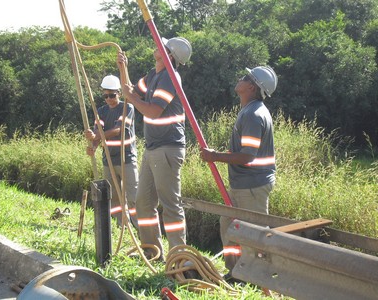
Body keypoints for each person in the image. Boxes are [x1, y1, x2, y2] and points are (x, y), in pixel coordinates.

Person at [117, 37, 192, 261]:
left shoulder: (170, 77)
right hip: (153, 149)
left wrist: (130, 97)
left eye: (163, 47)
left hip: (167, 148)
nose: (157, 47)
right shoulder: (153, 75)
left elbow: (152, 111)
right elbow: (130, 91)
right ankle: (151, 250)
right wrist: (123, 68)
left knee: (170, 204)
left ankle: (179, 256)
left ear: (169, 55)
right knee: (143, 202)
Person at [200, 66, 278, 280]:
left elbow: (247, 156)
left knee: (254, 234)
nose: (240, 79)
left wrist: (215, 156)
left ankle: (260, 277)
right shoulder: (249, 110)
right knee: (229, 228)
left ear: (252, 87)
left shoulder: (253, 115)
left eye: (245, 77)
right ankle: (236, 273)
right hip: (242, 184)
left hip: (252, 186)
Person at [85, 74, 139, 229]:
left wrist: (97, 136)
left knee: (133, 196)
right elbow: (97, 132)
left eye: (112, 95)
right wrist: (93, 146)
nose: (108, 99)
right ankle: (122, 225)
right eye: (106, 95)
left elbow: (118, 130)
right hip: (108, 160)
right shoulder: (100, 111)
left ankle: (139, 228)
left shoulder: (127, 107)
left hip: (126, 158)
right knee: (114, 197)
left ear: (119, 94)